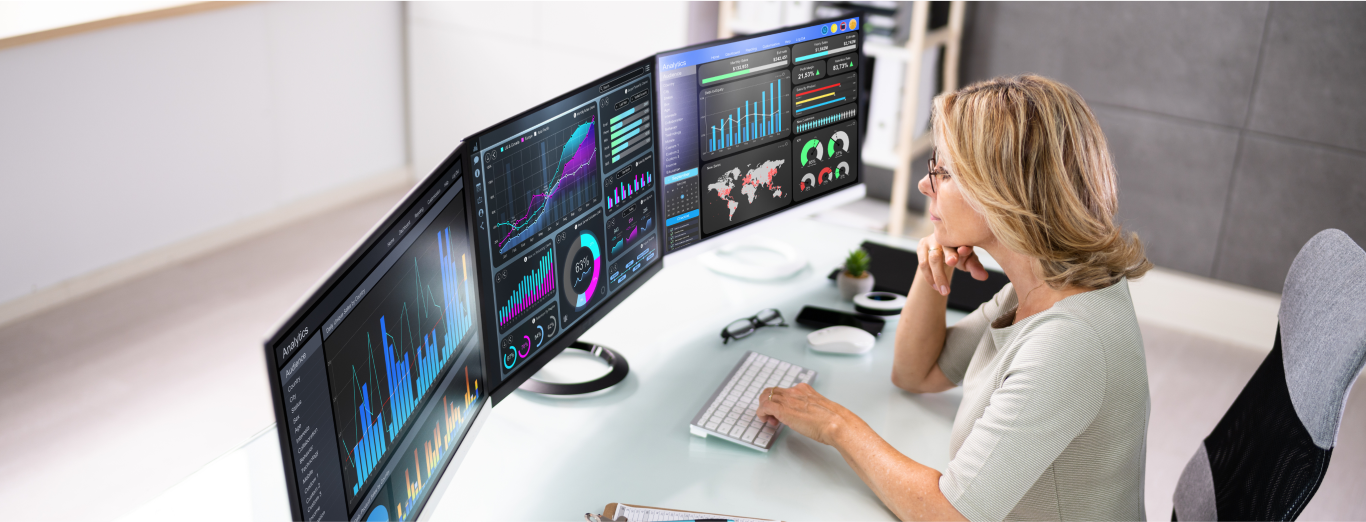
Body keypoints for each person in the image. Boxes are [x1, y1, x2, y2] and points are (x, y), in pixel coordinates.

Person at [757, 75, 1153, 522]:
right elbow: (916, 372)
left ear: (1002, 192)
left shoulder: (1069, 341)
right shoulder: (1040, 287)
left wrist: (835, 425)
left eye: (943, 173)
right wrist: (931, 272)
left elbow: (950, 515)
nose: (925, 186)